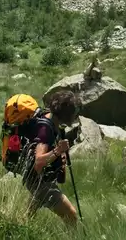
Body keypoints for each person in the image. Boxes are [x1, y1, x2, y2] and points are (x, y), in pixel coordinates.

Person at [23, 89, 80, 226]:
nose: (76, 116)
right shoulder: (45, 129)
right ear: (66, 113)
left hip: (38, 178)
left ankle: (20, 229)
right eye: (74, 112)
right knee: (71, 215)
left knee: (28, 216)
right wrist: (58, 150)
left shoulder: (50, 120)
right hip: (40, 181)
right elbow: (39, 161)